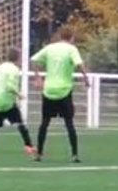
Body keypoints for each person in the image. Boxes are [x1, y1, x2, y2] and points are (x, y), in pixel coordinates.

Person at [30, 28, 88, 163]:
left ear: (60, 36)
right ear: (71, 38)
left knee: (44, 123)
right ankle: (74, 155)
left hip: (49, 90)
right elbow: (79, 64)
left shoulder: (50, 48)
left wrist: (38, 78)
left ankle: (39, 154)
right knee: (69, 123)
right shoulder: (71, 49)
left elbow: (33, 60)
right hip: (64, 91)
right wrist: (86, 78)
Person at [0, 47, 35, 157]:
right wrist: (19, 94)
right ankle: (29, 146)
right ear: (17, 58)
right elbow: (10, 86)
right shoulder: (14, 69)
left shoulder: (1, 66)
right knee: (20, 123)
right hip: (5, 102)